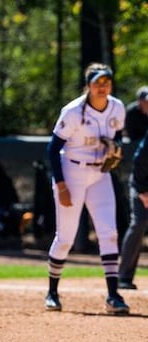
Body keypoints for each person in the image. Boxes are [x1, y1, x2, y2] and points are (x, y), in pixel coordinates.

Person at [44, 63, 129, 314]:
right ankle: (52, 292)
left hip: (100, 173)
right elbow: (52, 148)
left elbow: (118, 136)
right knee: (66, 237)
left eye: (106, 82)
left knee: (109, 232)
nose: (102, 87)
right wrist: (61, 185)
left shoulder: (117, 107)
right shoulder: (72, 112)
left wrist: (116, 147)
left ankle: (113, 295)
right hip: (72, 171)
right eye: (97, 82)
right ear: (88, 85)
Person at [118, 87, 148, 290]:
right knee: (139, 223)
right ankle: (124, 277)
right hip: (142, 183)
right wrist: (143, 192)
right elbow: (139, 164)